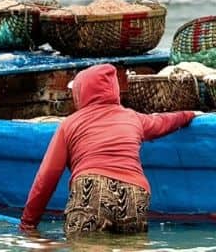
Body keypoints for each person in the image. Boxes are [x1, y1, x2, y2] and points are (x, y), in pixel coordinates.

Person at [20, 64, 197, 237]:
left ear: (81, 93)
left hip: (91, 189)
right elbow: (164, 122)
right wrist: (189, 115)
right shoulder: (133, 117)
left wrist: (28, 223)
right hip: (134, 193)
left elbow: (47, 177)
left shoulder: (69, 124)